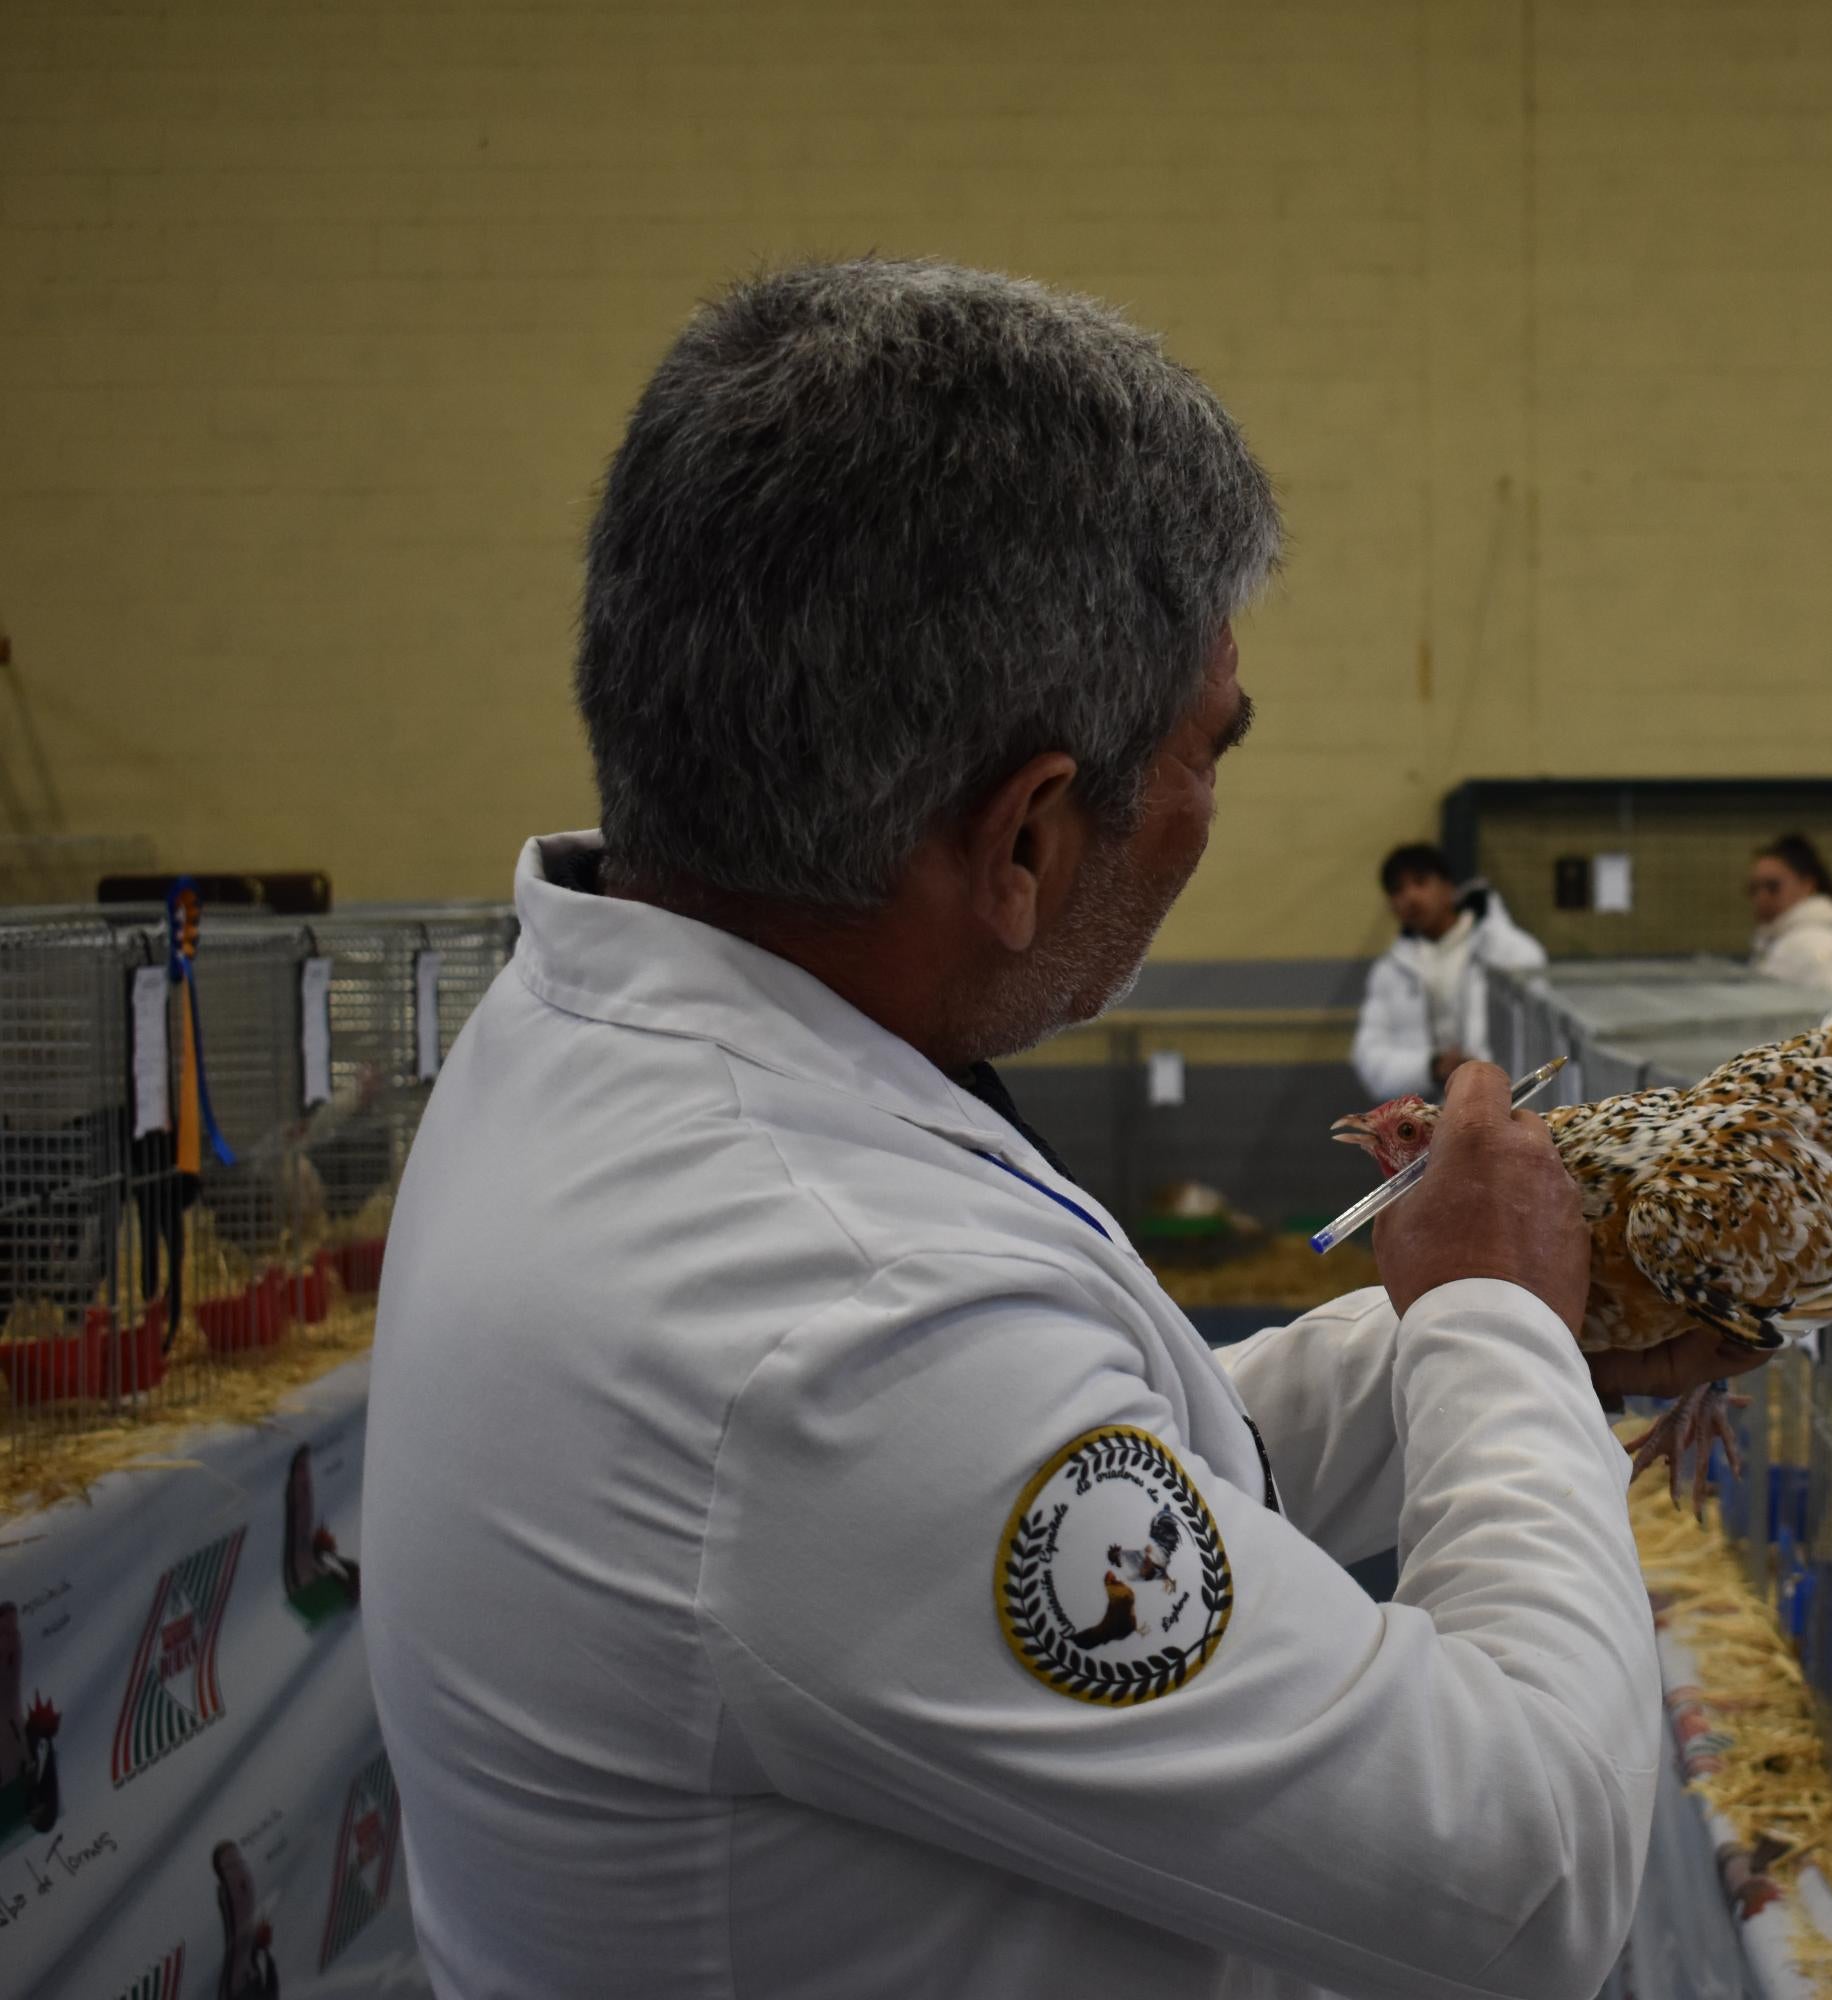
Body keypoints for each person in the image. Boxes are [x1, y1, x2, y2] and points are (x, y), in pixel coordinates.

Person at [359, 260, 1752, 2000]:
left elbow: (1093, 1466)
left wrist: (1454, 1346)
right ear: (1024, 836)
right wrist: (1498, 1330)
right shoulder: (828, 1329)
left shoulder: (616, 1039)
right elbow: (1528, 1874)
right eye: (1207, 749)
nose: (1209, 812)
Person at [1350, 843, 1547, 1099]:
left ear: (1448, 888)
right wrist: (1431, 1067)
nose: (1410, 896)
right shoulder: (1389, 973)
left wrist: (1478, 1072)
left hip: (1506, 1107)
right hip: (1426, 1120)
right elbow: (1369, 1056)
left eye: (1420, 882)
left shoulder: (1509, 952)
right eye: (1397, 890)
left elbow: (1536, 1040)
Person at [1745, 834, 1832, 1000]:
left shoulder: (1820, 945)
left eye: (1772, 887)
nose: (1761, 898)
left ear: (1807, 885)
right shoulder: (1779, 941)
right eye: (1754, 889)